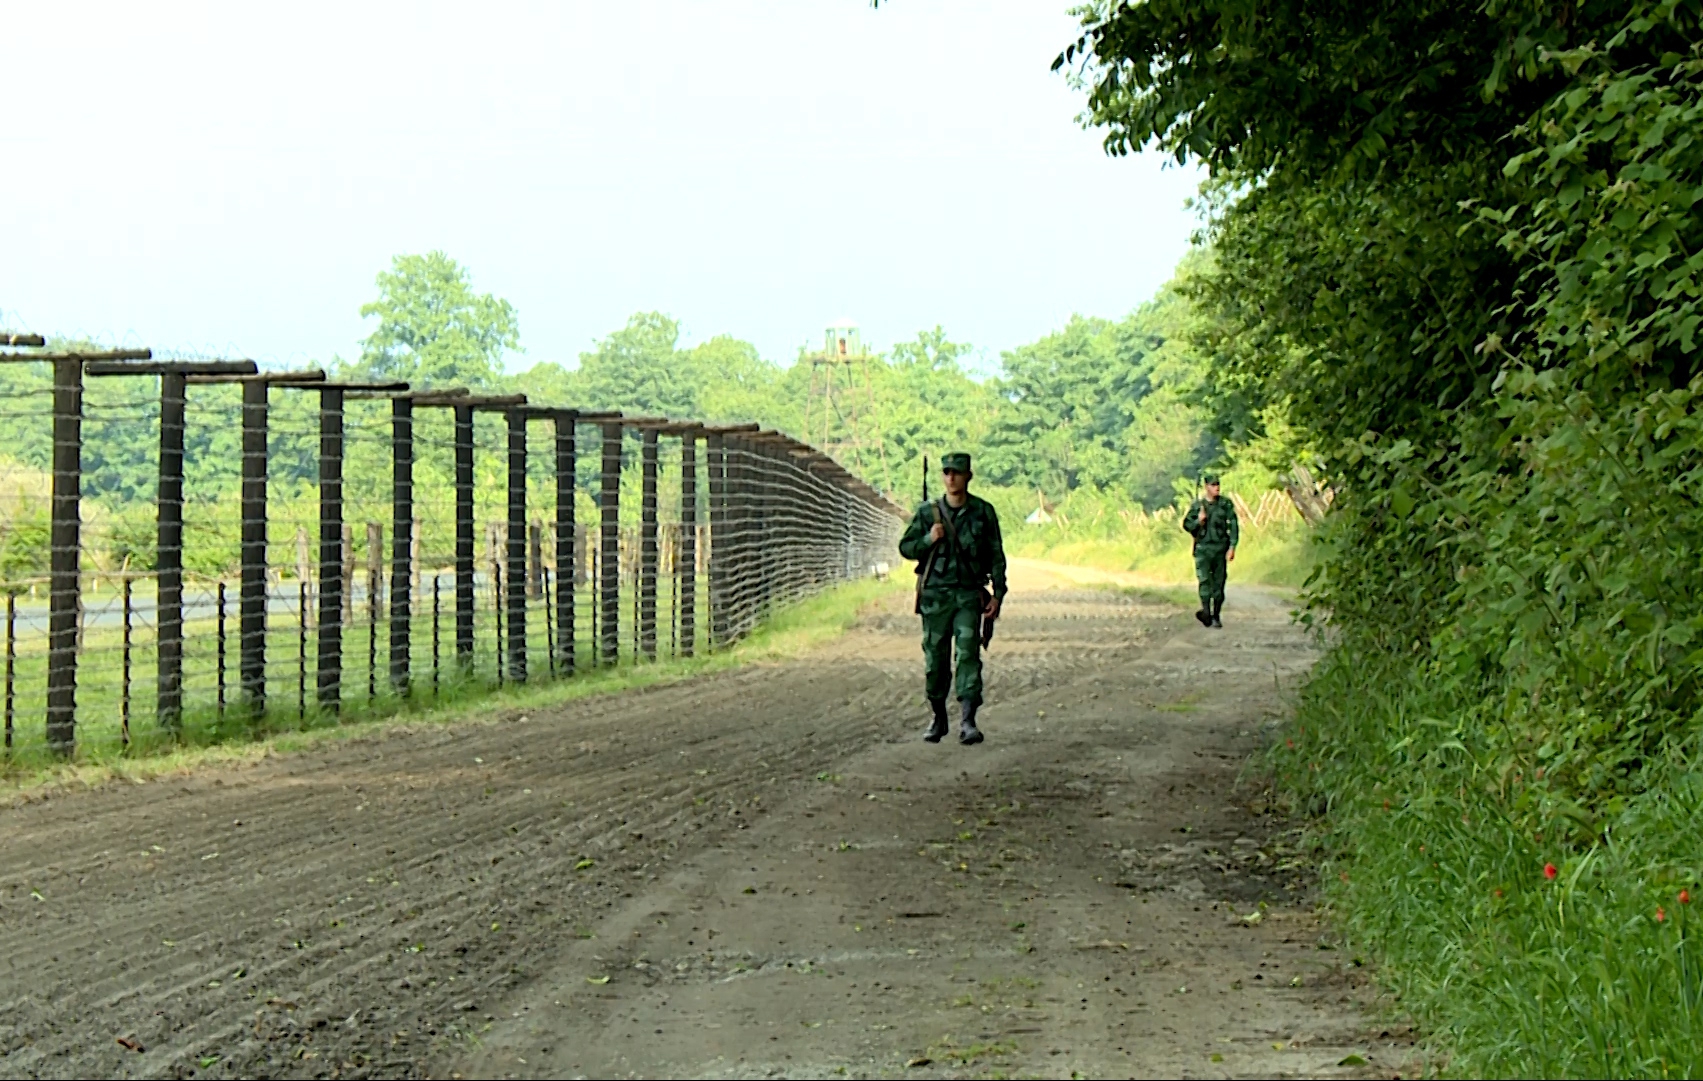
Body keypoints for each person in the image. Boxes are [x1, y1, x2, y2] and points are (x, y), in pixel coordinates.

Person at [897, 452, 1007, 745]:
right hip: (935, 597)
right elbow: (906, 548)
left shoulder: (983, 512)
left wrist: (998, 594)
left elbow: (996, 555)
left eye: (957, 472)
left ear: (968, 476)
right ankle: (938, 716)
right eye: (946, 472)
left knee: (968, 654)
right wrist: (928, 539)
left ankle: (968, 720)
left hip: (968, 595)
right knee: (935, 660)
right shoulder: (926, 513)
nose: (951, 478)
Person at [1183, 472, 1239, 628]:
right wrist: (1198, 522)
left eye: (1218, 485)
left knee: (1219, 584)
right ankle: (1206, 612)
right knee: (1204, 582)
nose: (1217, 488)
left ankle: (1216, 615)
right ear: (1206, 487)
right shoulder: (1197, 506)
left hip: (1220, 548)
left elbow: (1233, 525)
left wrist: (1232, 546)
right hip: (1203, 549)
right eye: (1213, 485)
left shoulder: (1225, 505)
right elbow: (1187, 525)